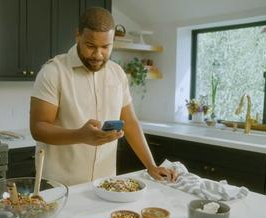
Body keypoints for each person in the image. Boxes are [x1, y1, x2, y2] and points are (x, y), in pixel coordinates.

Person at [30, 7, 176, 186]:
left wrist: (151, 166)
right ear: (78, 36)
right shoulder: (53, 72)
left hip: (106, 184)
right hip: (59, 186)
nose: (98, 55)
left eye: (106, 47)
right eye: (90, 46)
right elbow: (38, 128)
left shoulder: (118, 73)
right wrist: (80, 135)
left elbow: (129, 122)